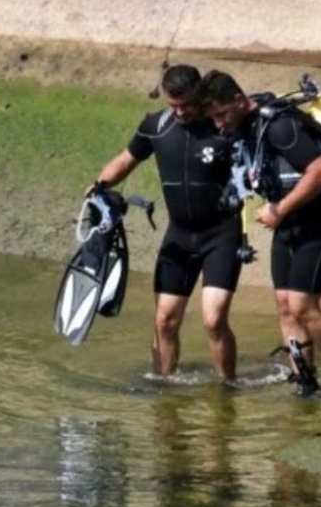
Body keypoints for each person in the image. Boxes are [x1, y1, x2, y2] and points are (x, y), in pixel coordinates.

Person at [198, 70, 321, 398]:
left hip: (319, 221)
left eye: (222, 114)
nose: (219, 124)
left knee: (303, 305)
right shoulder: (248, 128)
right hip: (289, 225)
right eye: (213, 118)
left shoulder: (279, 126)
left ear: (238, 100)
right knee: (284, 306)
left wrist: (279, 209)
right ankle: (304, 380)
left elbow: (320, 172)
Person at [92, 65, 242, 382]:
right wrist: (98, 187)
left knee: (214, 320)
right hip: (179, 236)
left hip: (222, 234)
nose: (180, 112)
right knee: (165, 321)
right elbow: (126, 159)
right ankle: (164, 388)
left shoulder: (222, 125)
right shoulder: (156, 126)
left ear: (199, 94)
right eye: (173, 105)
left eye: (186, 105)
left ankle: (227, 389)